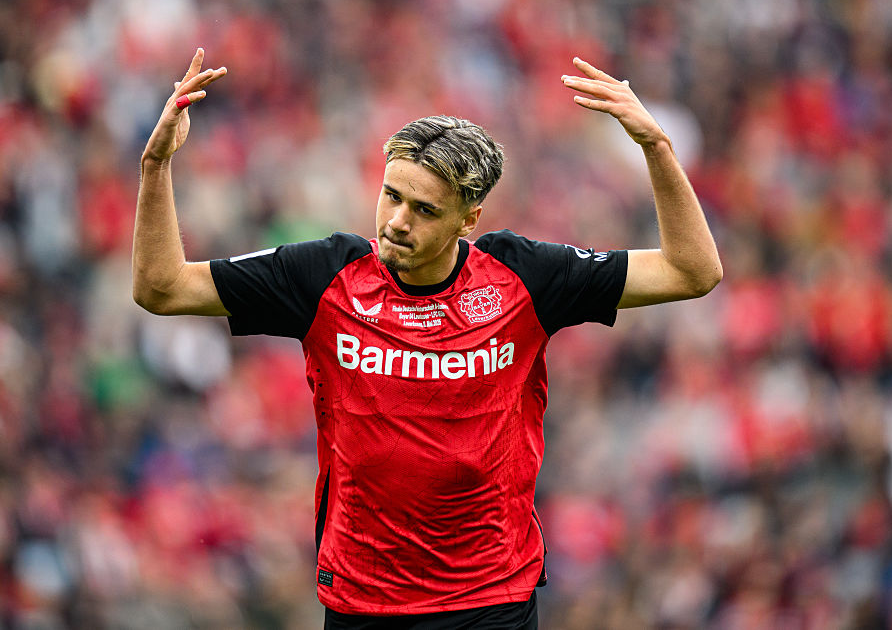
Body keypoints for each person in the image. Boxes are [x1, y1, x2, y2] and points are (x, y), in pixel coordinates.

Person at [133, 48, 722, 629]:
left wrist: (656, 148)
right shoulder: (322, 276)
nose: (396, 221)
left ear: (468, 219)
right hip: (363, 603)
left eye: (424, 209)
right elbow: (161, 289)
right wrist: (155, 168)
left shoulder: (525, 277)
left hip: (490, 600)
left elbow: (692, 272)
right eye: (392, 195)